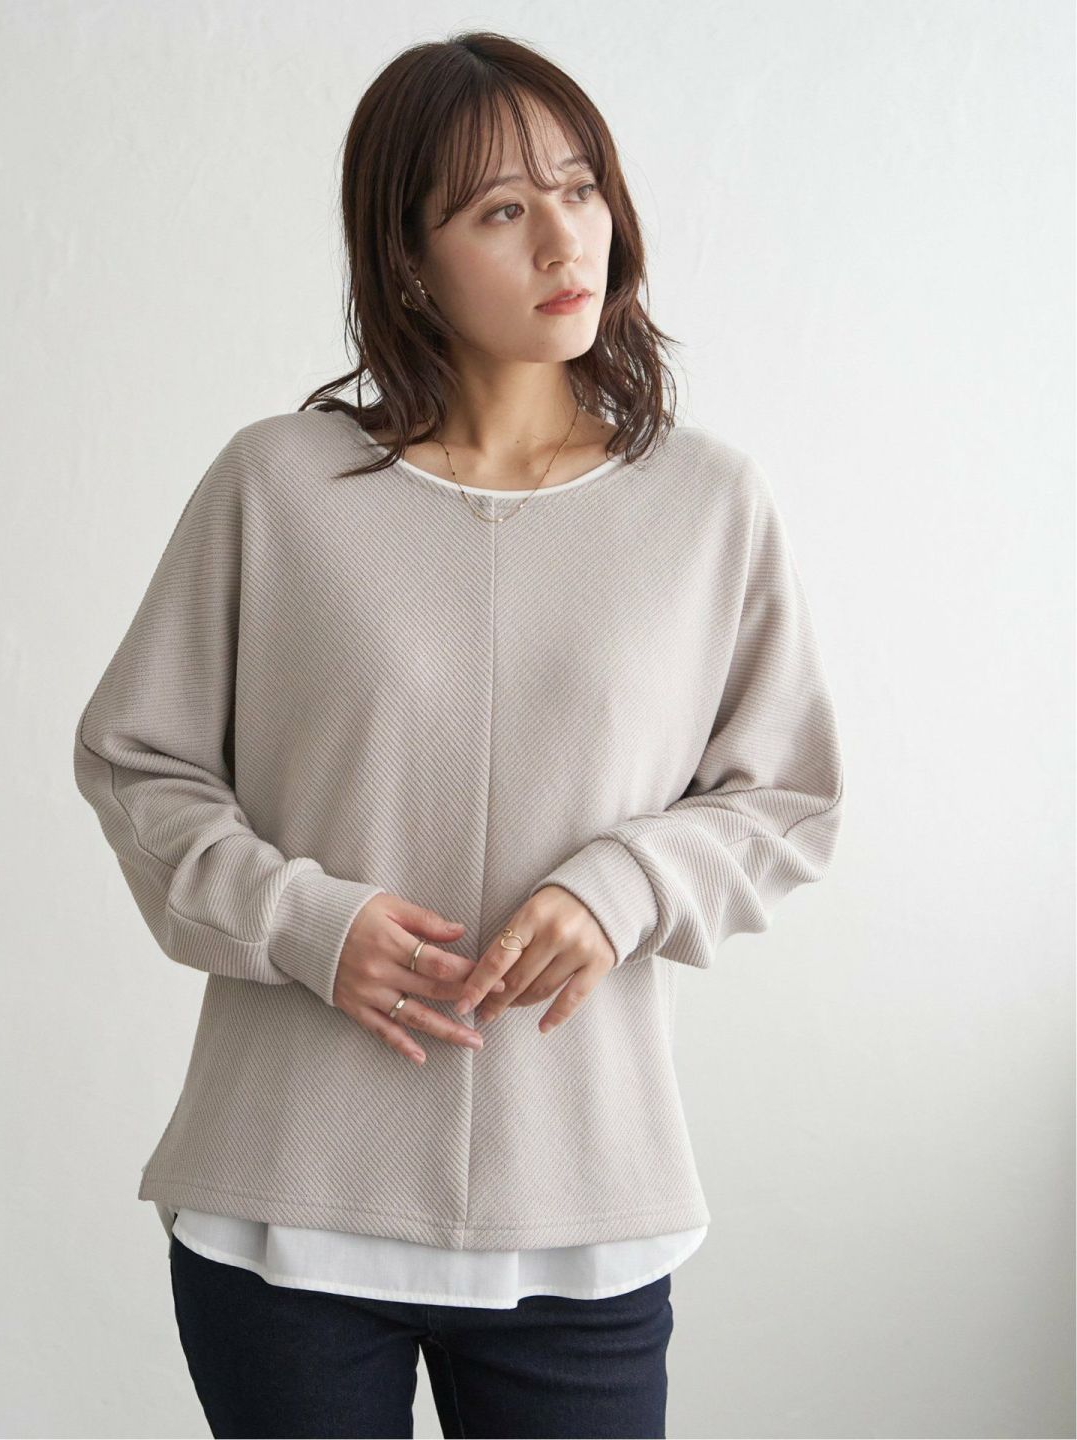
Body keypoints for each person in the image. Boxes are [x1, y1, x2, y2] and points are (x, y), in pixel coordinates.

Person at [73, 29, 845, 1440]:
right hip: (288, 1216)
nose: (564, 236)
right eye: (500, 208)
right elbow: (139, 763)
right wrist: (307, 922)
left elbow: (785, 795)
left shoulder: (708, 505)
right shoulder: (278, 486)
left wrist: (623, 887)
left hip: (581, 1215)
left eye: (580, 187)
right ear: (410, 261)